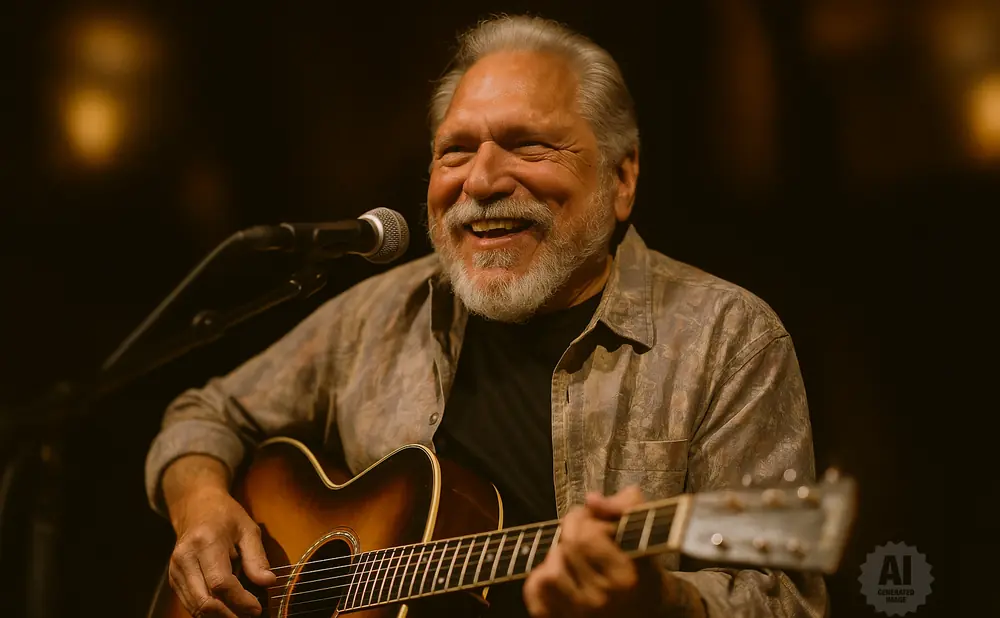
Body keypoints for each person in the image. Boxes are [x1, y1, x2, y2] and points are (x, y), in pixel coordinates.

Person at [145, 14, 827, 618]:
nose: (480, 181)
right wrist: (200, 505)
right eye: (456, 150)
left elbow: (785, 599)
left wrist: (659, 602)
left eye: (529, 145)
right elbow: (205, 412)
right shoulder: (380, 313)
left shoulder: (727, 338)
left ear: (622, 181)